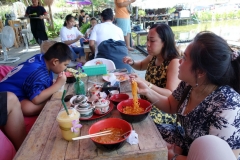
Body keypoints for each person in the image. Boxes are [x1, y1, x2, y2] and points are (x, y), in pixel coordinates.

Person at [133, 31, 240, 159]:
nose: (179, 61)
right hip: (185, 141)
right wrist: (147, 91)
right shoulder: (189, 84)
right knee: (142, 130)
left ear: (200, 71)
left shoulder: (228, 106)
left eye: (184, 58)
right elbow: (171, 105)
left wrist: (173, 156)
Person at [123, 23, 180, 125]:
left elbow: (170, 93)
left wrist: (146, 84)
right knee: (125, 110)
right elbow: (140, 66)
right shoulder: (153, 56)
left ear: (165, 42)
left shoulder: (173, 62)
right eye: (147, 40)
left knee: (141, 122)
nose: (148, 44)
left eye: (152, 41)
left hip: (163, 108)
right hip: (148, 102)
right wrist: (132, 62)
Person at [0, 43, 71, 116]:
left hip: (15, 88)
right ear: (55, 62)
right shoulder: (39, 72)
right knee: (28, 108)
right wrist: (58, 85)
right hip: (6, 96)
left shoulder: (41, 57)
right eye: (65, 65)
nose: (65, 68)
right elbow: (36, 99)